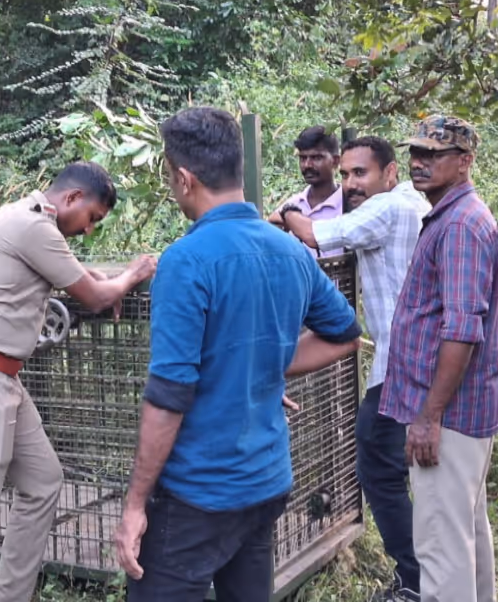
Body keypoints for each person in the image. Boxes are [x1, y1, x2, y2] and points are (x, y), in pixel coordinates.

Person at [113, 106, 363, 601]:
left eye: (170, 177)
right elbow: (346, 335)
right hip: (266, 482)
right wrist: (264, 366)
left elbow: (169, 395)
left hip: (199, 492)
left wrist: (135, 504)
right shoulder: (291, 251)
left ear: (185, 178)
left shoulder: (186, 261)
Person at [0, 161, 157, 602]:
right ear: (72, 197)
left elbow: (85, 278)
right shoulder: (33, 227)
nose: (89, 229)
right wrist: (134, 274)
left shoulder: (28, 221)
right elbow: (95, 294)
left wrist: (110, 283)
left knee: (44, 480)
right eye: (92, 218)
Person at [281, 135, 431, 601]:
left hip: (399, 366)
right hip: (409, 361)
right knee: (401, 470)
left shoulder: (388, 208)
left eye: (360, 173)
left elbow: (312, 234)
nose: (350, 184)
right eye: (345, 174)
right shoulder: (411, 203)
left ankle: (415, 581)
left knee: (377, 468)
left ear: (391, 173)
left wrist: (286, 212)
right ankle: (424, 576)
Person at [380, 116, 498, 602]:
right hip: (459, 413)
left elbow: (463, 329)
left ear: (465, 161)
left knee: (441, 548)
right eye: (416, 152)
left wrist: (429, 417)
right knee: (464, 535)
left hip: (449, 417)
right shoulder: (454, 217)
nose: (419, 162)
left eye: (433, 154)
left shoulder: (460, 226)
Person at [268, 125, 344, 257]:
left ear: (335, 161)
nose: (307, 165)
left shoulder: (349, 205)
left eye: (316, 158)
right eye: (303, 158)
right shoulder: (292, 204)